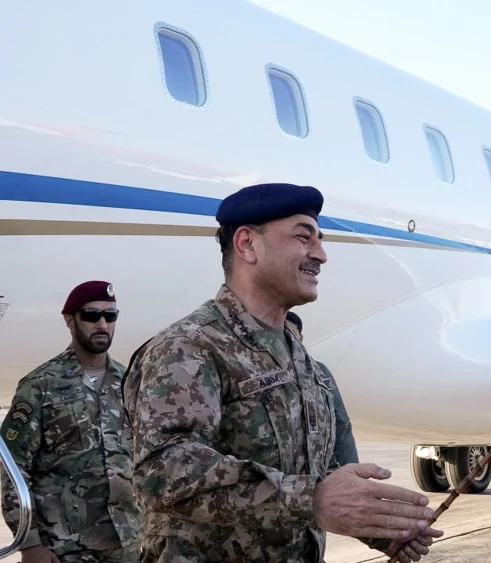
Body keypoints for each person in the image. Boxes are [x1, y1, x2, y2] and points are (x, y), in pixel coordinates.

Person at [122, 183, 441, 563]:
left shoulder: (301, 359)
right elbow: (162, 472)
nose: (320, 254)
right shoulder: (189, 347)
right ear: (247, 245)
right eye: (303, 237)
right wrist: (312, 500)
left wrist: (378, 528)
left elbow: (319, 472)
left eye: (319, 240)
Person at [1, 280, 141, 563]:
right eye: (91, 315)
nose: (102, 324)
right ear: (69, 320)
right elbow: (11, 468)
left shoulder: (129, 382)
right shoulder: (40, 385)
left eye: (110, 316)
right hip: (62, 547)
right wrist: (30, 544)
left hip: (125, 543)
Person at [284, 311, 357, 476]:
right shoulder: (252, 371)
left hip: (318, 477)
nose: (285, 340)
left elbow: (341, 425)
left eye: (290, 335)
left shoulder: (320, 371)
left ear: (300, 338)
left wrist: (352, 475)